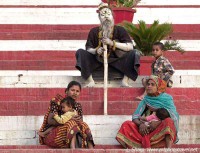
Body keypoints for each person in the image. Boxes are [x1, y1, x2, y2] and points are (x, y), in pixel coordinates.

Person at [75, 2, 140, 87]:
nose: (106, 16)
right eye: (103, 15)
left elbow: (130, 46)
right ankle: (90, 81)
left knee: (135, 53)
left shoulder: (120, 30)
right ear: (99, 18)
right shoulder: (94, 31)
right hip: (98, 60)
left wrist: (112, 43)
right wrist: (96, 51)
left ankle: (125, 81)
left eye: (109, 14)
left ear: (113, 17)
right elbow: (88, 49)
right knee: (80, 52)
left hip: (117, 60)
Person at [116, 75, 179, 148]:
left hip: (159, 132)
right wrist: (140, 125)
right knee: (126, 124)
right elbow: (135, 117)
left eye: (152, 85)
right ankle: (136, 145)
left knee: (169, 121)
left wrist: (158, 123)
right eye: (148, 84)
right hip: (145, 130)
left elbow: (173, 115)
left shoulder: (167, 99)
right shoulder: (146, 99)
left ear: (158, 87)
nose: (149, 86)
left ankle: (169, 150)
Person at [39, 81, 95, 149]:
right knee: (71, 123)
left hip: (71, 132)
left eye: (77, 91)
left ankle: (91, 149)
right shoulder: (57, 101)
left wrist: (78, 120)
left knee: (84, 124)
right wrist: (68, 120)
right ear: (66, 91)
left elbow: (80, 122)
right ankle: (72, 149)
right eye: (72, 90)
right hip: (52, 134)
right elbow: (50, 121)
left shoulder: (78, 106)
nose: (75, 93)